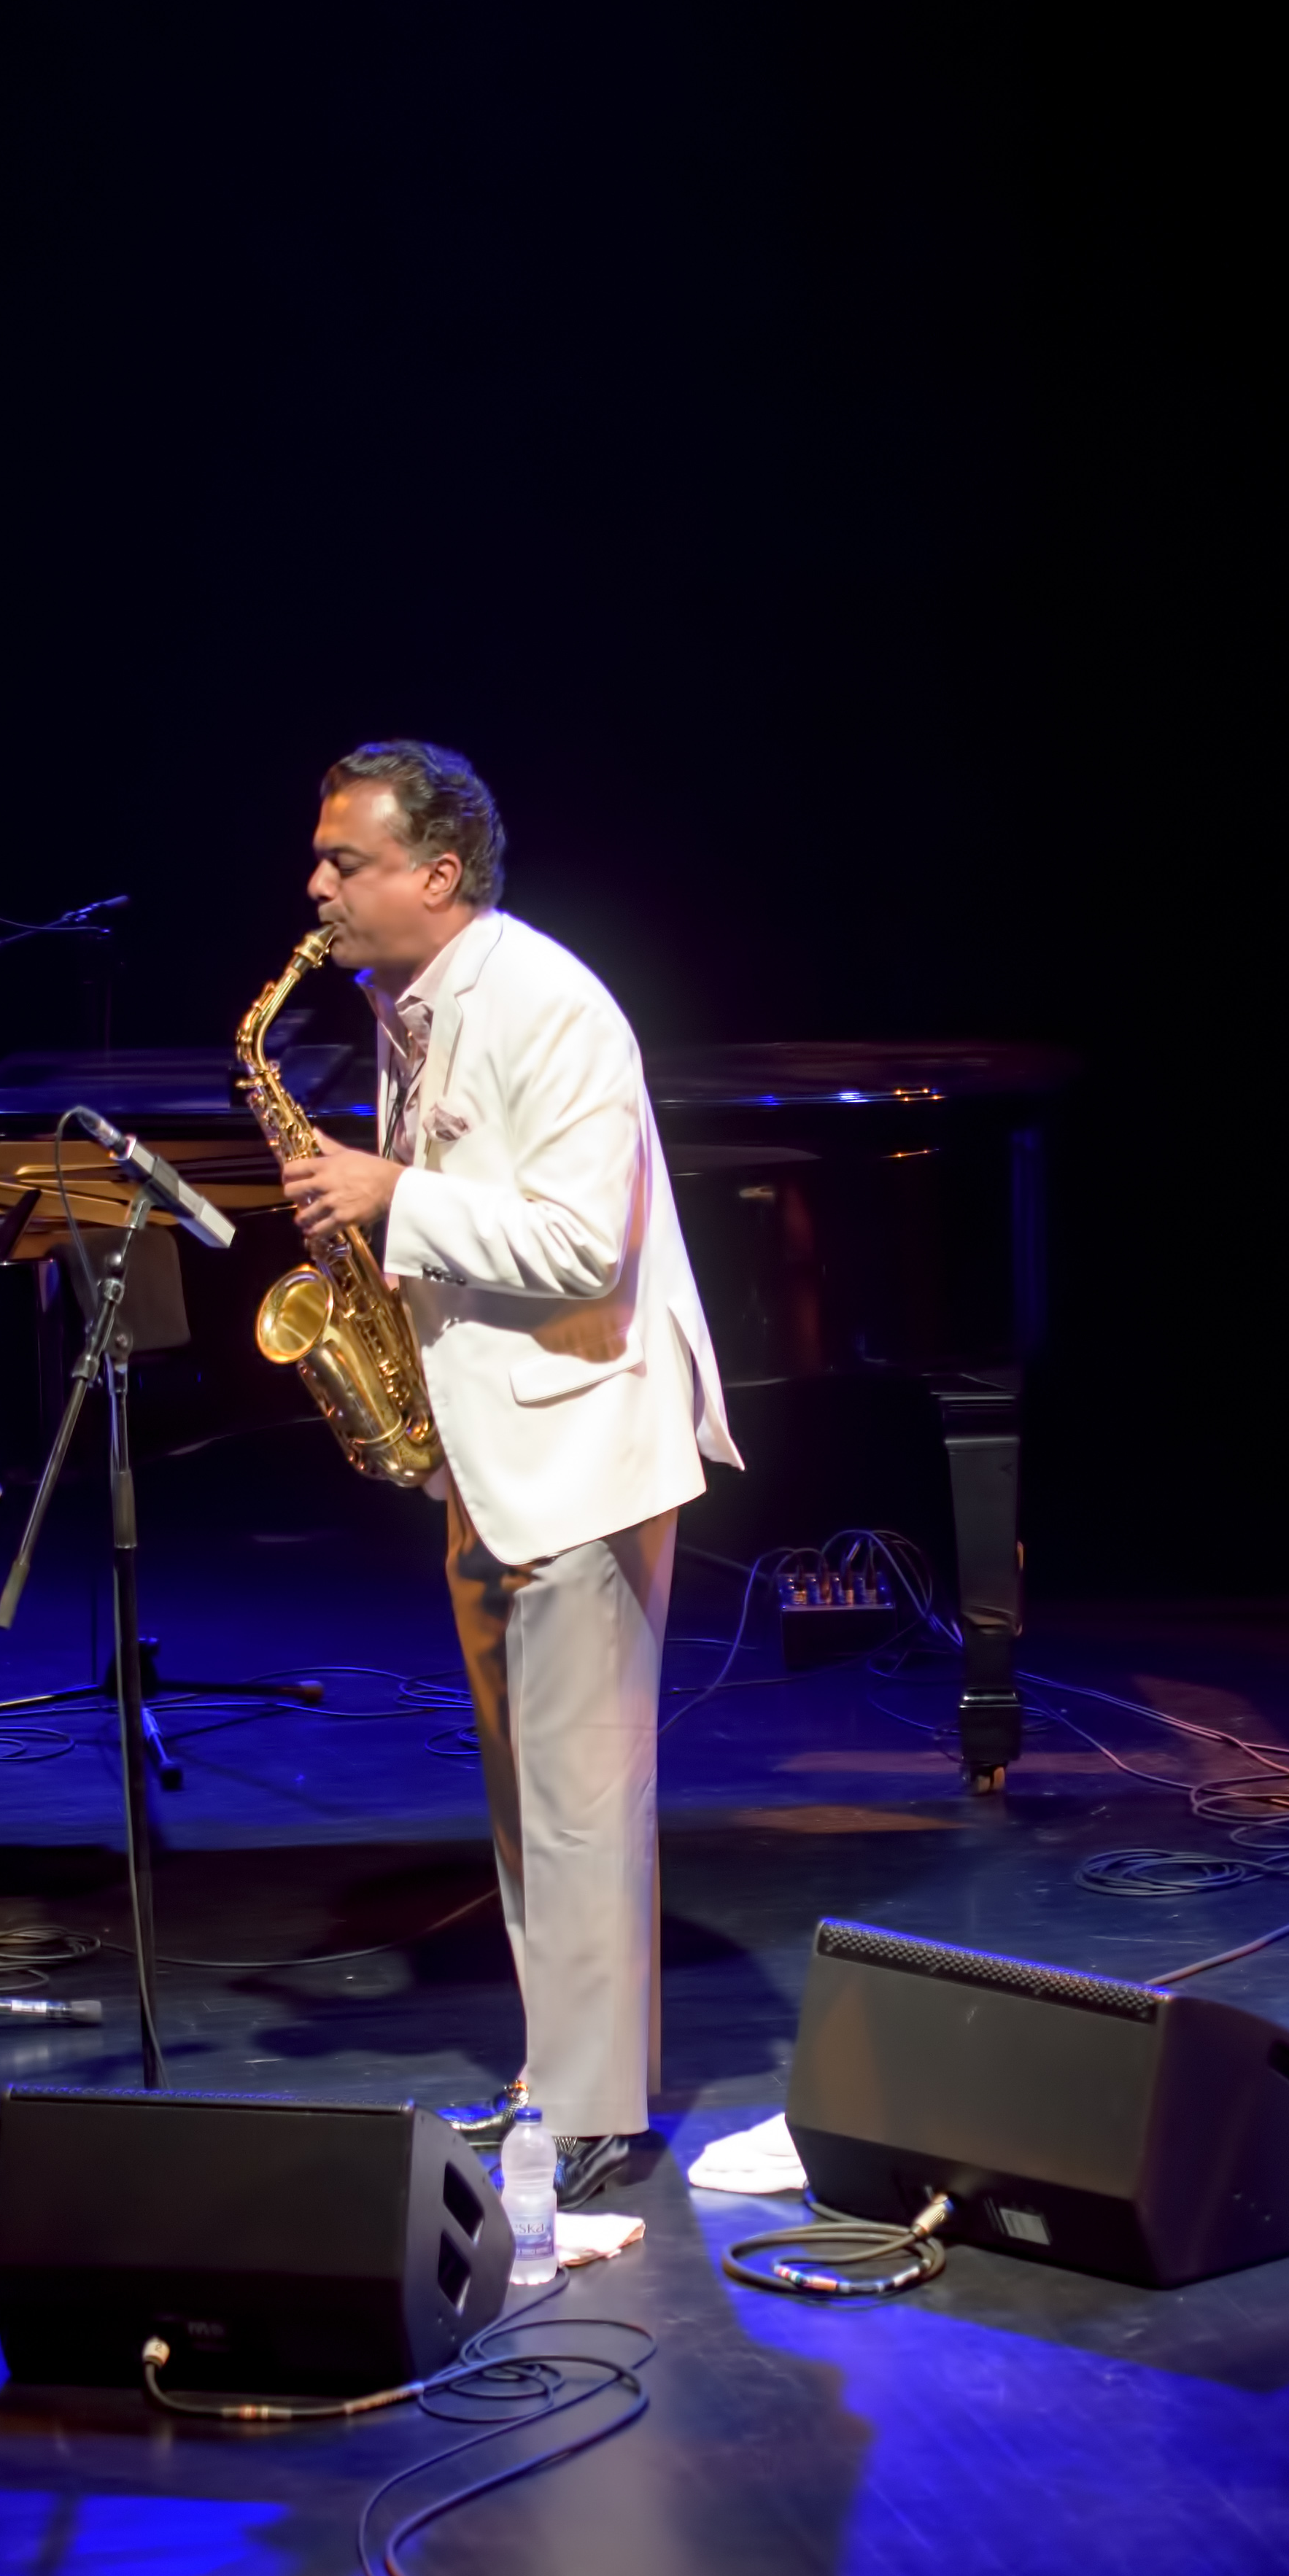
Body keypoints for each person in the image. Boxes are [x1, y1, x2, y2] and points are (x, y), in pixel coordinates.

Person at [282, 740, 736, 2199]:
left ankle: (602, 2113)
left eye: (344, 863)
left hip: (580, 1445)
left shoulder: (544, 1003)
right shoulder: (412, 1008)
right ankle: (559, 2077)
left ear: (437, 873)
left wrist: (390, 1193)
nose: (318, 888)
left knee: (586, 1792)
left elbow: (575, 1244)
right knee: (528, 1791)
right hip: (493, 1450)